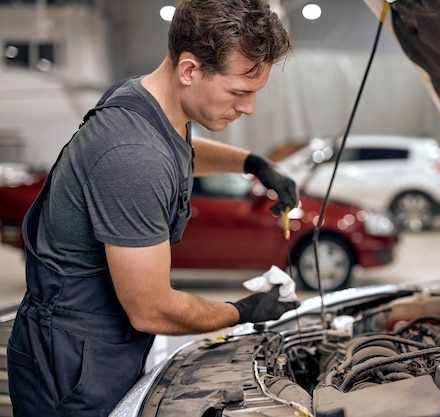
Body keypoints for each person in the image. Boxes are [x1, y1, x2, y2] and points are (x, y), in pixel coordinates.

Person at [7, 1, 299, 416]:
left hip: (98, 343)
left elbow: (177, 149)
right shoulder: (132, 154)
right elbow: (151, 308)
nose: (248, 107)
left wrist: (254, 165)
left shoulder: (145, 101)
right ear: (190, 70)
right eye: (239, 92)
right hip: (71, 364)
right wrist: (241, 311)